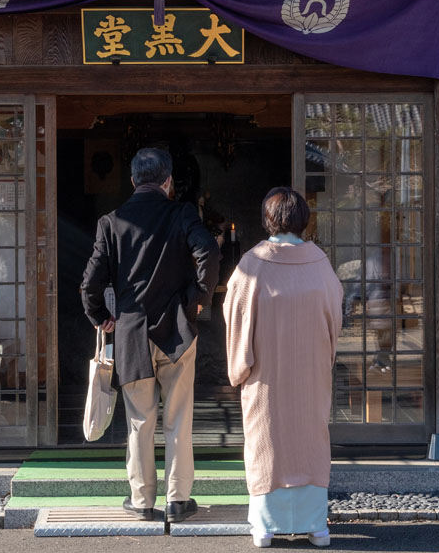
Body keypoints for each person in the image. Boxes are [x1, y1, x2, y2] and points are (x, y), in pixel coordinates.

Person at [80, 147, 221, 523]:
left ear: (132, 181)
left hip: (131, 333)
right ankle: (178, 500)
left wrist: (101, 316)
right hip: (175, 329)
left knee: (140, 420)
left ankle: (141, 501)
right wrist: (197, 301)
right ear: (168, 181)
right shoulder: (181, 213)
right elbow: (208, 251)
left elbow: (90, 282)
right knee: (178, 416)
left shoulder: (111, 222)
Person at [224, 187, 343, 548]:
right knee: (309, 442)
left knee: (268, 445)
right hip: (309, 376)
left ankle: (265, 526)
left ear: (268, 220)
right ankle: (315, 526)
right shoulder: (319, 263)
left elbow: (235, 314)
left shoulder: (252, 264)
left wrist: (239, 368)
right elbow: (334, 317)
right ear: (304, 221)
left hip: (266, 378)